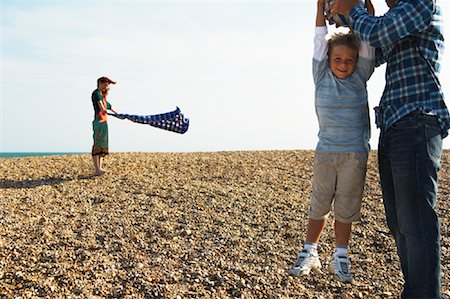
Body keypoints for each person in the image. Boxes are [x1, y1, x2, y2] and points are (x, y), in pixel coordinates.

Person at [329, 0, 449, 297]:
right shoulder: (395, 17)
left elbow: (379, 33)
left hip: (418, 120)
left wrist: (354, 10)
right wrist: (344, 22)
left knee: (415, 220)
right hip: (395, 125)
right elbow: (371, 51)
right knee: (400, 223)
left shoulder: (422, 3)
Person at [288, 0, 374, 283]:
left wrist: (366, 4)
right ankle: (309, 251)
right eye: (338, 59)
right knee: (319, 203)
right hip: (326, 151)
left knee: (346, 206)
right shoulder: (321, 74)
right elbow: (318, 36)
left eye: (349, 60)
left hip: (354, 154)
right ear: (328, 60)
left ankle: (341, 255)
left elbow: (367, 38)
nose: (344, 64)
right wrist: (320, 5)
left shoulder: (361, 74)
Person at [91, 76, 119, 176]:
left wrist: (118, 114)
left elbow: (110, 107)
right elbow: (101, 106)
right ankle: (97, 169)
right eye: (105, 85)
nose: (106, 88)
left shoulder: (103, 96)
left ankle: (100, 168)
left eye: (107, 86)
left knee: (103, 145)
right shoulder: (96, 93)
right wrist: (104, 110)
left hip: (104, 122)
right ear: (100, 83)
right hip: (98, 122)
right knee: (97, 143)